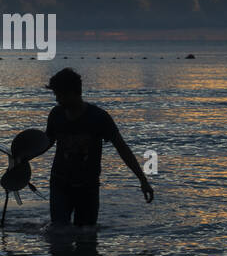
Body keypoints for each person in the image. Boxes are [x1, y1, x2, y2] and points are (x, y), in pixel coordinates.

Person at [40, 68, 153, 226]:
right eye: (56, 95)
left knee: (87, 237)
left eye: (61, 95)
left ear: (74, 92)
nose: (58, 99)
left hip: (88, 188)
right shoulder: (56, 115)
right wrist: (22, 157)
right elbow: (45, 143)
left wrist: (143, 180)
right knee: (58, 235)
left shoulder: (99, 117)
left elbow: (122, 148)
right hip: (60, 185)